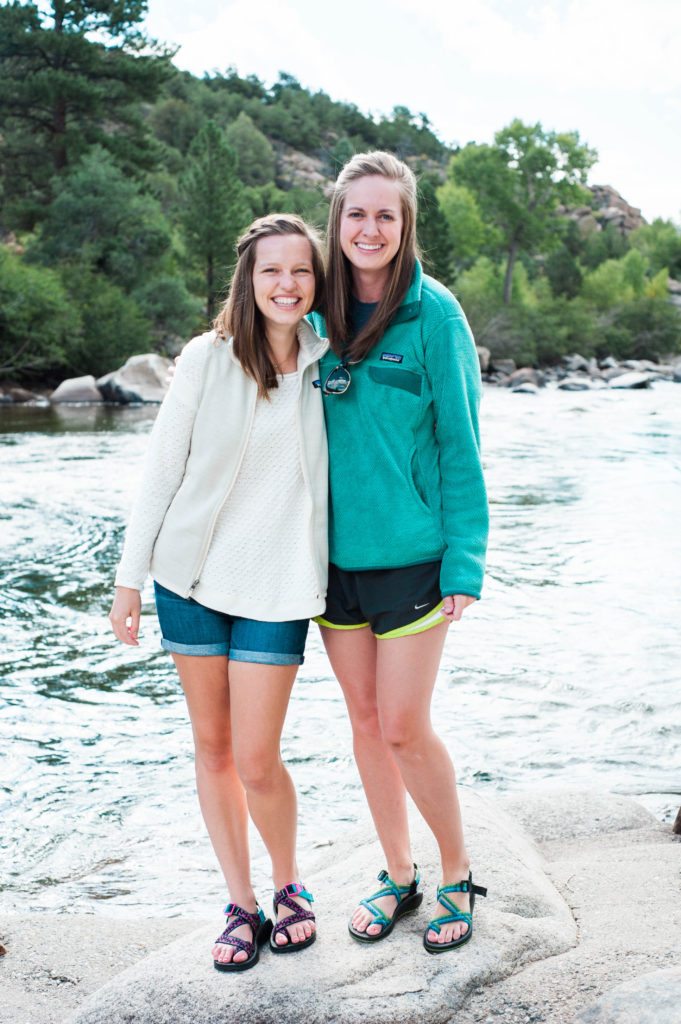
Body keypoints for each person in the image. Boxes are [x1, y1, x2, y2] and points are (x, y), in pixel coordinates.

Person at [109, 214, 328, 972]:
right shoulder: (206, 359)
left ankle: (287, 883)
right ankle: (240, 903)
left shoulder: (329, 363)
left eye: (300, 270)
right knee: (213, 747)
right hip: (191, 580)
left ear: (315, 281)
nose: (286, 284)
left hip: (279, 585)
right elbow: (162, 471)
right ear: (248, 279)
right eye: (271, 270)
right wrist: (127, 580)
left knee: (258, 758)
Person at [309, 151, 489, 953]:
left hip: (413, 559)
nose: (369, 229)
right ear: (336, 221)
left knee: (405, 727)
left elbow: (461, 445)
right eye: (356, 214)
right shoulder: (311, 309)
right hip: (326, 564)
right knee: (363, 721)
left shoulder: (436, 315)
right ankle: (398, 873)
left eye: (386, 214)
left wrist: (465, 563)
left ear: (404, 221)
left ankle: (455, 873)